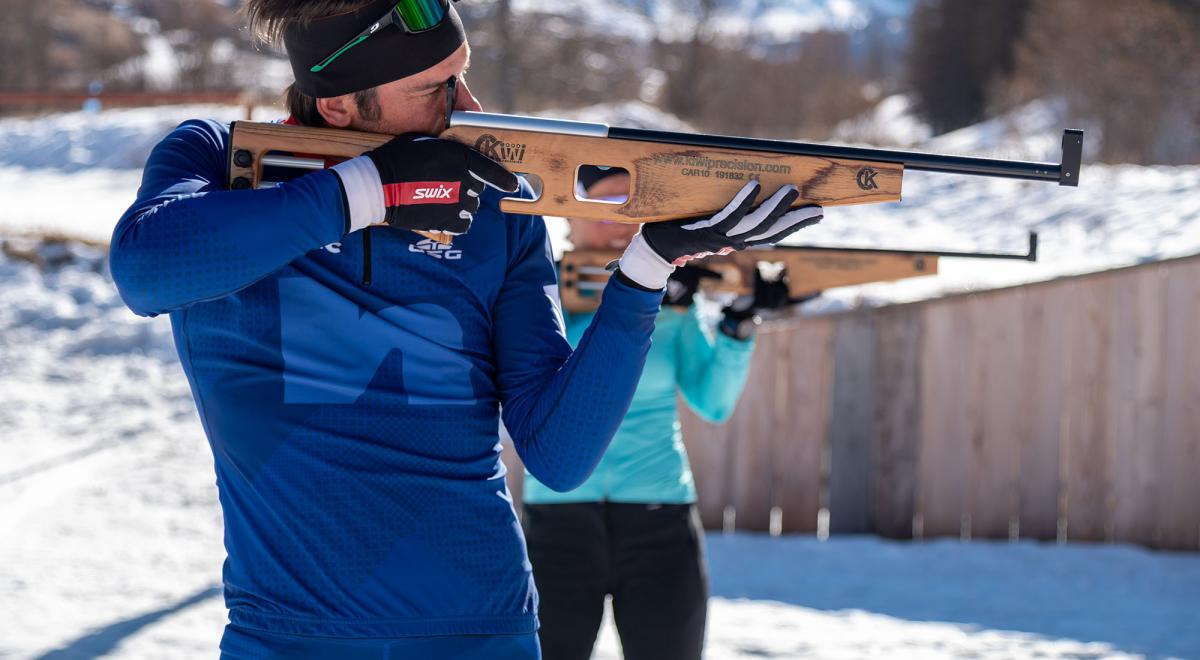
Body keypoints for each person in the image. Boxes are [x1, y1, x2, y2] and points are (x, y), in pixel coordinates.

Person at [108, 1, 823, 657]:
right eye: (435, 88)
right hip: (288, 636)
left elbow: (558, 452)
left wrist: (644, 270)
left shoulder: (490, 212)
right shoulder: (218, 162)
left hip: (485, 631)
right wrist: (372, 192)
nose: (470, 108)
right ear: (336, 102)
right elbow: (148, 268)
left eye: (463, 78)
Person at [522, 167, 799, 660]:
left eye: (635, 208)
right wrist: (631, 299)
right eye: (606, 208)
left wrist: (739, 323)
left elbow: (713, 402)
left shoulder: (674, 304)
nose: (622, 222)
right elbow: (540, 381)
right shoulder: (539, 297)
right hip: (557, 523)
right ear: (571, 218)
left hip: (661, 520)